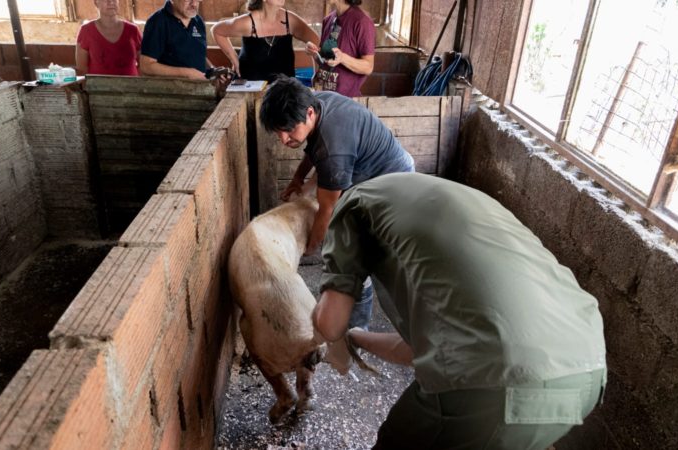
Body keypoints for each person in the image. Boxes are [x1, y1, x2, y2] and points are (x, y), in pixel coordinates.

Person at [312, 172, 608, 450]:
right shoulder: (455, 202)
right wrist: (357, 338)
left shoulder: (353, 203)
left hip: (494, 384)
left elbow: (330, 324)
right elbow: (426, 353)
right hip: (586, 373)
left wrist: (327, 326)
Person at [260, 75, 414, 330]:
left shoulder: (333, 147)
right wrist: (298, 178)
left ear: (309, 114)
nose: (284, 140)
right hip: (370, 170)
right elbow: (314, 147)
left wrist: (309, 247)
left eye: (288, 131)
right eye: (279, 133)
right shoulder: (317, 103)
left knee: (356, 257)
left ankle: (355, 330)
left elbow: (327, 209)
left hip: (394, 183)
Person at [211, 0, 320, 82]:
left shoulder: (290, 20)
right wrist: (234, 60)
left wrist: (315, 68)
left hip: (284, 93)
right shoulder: (247, 22)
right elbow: (216, 31)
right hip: (249, 89)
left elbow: (317, 43)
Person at [140, 0, 227, 81]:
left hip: (198, 90)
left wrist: (212, 70)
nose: (194, 4)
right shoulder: (157, 21)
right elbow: (146, 66)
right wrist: (186, 73)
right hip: (172, 93)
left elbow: (197, 54)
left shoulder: (198, 21)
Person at [307, 0, 375, 97]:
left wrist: (342, 58)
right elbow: (325, 61)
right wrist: (315, 53)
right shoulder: (328, 20)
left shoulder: (362, 22)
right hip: (322, 97)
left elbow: (368, 67)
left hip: (344, 102)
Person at [75, 0, 142, 76]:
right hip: (97, 87)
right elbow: (82, 69)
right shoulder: (86, 31)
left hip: (131, 86)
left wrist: (136, 84)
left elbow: (143, 65)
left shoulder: (132, 30)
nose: (111, 2)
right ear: (96, 2)